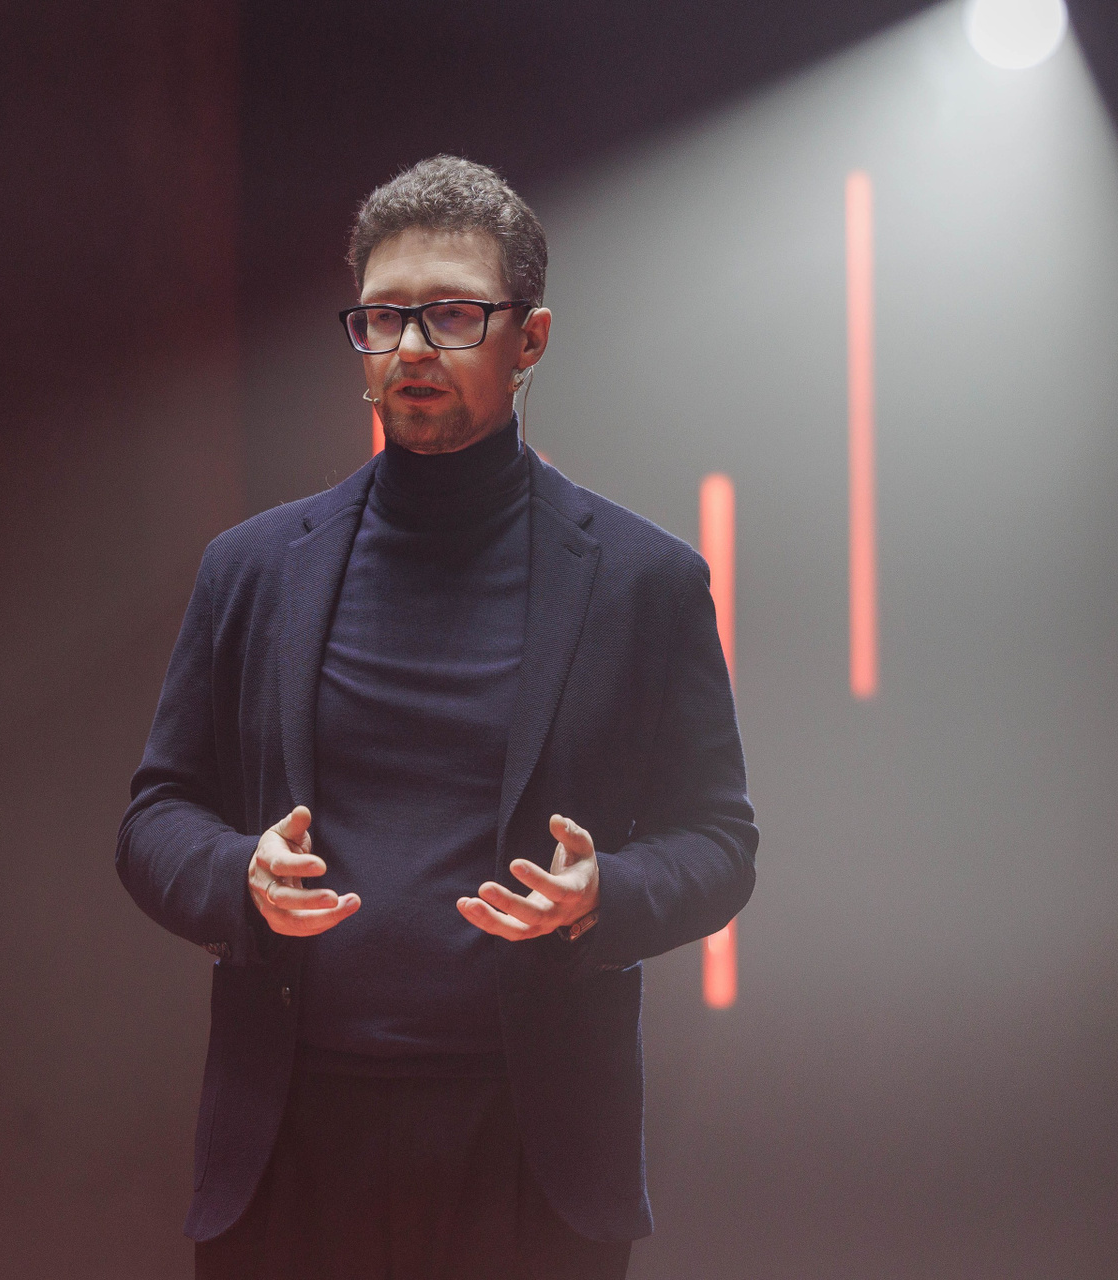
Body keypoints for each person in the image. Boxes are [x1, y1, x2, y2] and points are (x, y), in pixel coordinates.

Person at [117, 154, 757, 1280]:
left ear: (530, 339)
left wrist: (604, 893)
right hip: (289, 1139)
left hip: (531, 1149)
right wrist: (240, 876)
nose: (411, 347)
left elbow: (719, 841)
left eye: (453, 315)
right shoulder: (251, 569)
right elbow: (155, 817)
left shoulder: (644, 580)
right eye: (383, 316)